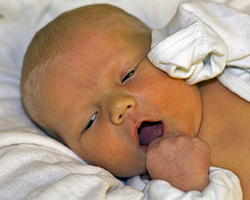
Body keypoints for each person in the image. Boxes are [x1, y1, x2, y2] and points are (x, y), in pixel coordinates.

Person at [21, 3, 246, 199]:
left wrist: (192, 38)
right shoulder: (153, 189)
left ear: (161, 49)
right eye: (90, 121)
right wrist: (188, 185)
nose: (117, 106)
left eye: (128, 74)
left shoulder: (230, 65)